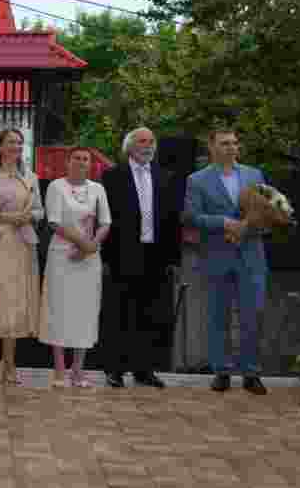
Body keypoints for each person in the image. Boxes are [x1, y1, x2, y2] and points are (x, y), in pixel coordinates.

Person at [183, 127, 269, 394]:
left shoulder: (254, 175)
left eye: (234, 143)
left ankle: (251, 372)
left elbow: (267, 211)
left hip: (251, 255)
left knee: (252, 315)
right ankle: (221, 371)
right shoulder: (197, 180)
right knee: (217, 315)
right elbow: (191, 216)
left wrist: (248, 226)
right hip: (216, 255)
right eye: (224, 143)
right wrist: (224, 223)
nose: (231, 148)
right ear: (212, 147)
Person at [100, 128, 175, 388]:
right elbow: (105, 219)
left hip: (155, 254)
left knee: (151, 314)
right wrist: (107, 257)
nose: (148, 146)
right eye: (142, 141)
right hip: (123, 254)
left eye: (152, 141)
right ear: (129, 147)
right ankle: (115, 370)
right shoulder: (112, 176)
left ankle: (144, 370)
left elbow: (172, 220)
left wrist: (171, 258)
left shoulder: (166, 176)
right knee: (119, 312)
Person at [0, 128, 44, 384]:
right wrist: (4, 218)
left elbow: (39, 211)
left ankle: (10, 364)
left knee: (13, 302)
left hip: (20, 244)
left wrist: (29, 216)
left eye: (19, 142)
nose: (16, 146)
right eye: (11, 142)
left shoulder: (31, 178)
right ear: (0, 146)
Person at [39, 147, 112, 387]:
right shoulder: (56, 186)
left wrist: (90, 246)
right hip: (62, 255)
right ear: (68, 162)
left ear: (91, 164)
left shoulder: (97, 189)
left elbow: (105, 223)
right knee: (58, 309)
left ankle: (78, 370)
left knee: (85, 310)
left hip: (89, 258)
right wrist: (82, 244)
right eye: (77, 158)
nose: (81, 162)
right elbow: (54, 221)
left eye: (85, 159)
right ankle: (60, 371)